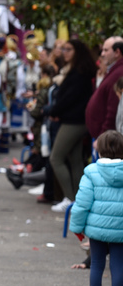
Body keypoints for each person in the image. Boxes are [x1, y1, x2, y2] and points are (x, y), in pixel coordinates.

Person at [69, 130, 123, 286]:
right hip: (121, 230)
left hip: (97, 229)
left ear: (99, 151)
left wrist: (76, 228)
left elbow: (82, 204)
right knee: (118, 265)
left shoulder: (92, 172)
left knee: (97, 265)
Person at [48, 39, 97, 212]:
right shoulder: (76, 70)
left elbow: (68, 99)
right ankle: (78, 199)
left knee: (56, 158)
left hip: (74, 122)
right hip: (74, 120)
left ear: (77, 52)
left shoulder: (79, 73)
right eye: (63, 49)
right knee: (75, 161)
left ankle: (70, 198)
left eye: (68, 49)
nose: (64, 52)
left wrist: (53, 111)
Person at [86, 37, 123, 141]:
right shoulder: (114, 70)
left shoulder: (119, 73)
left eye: (106, 50)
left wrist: (104, 137)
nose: (102, 54)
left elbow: (114, 108)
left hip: (106, 139)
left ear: (117, 52)